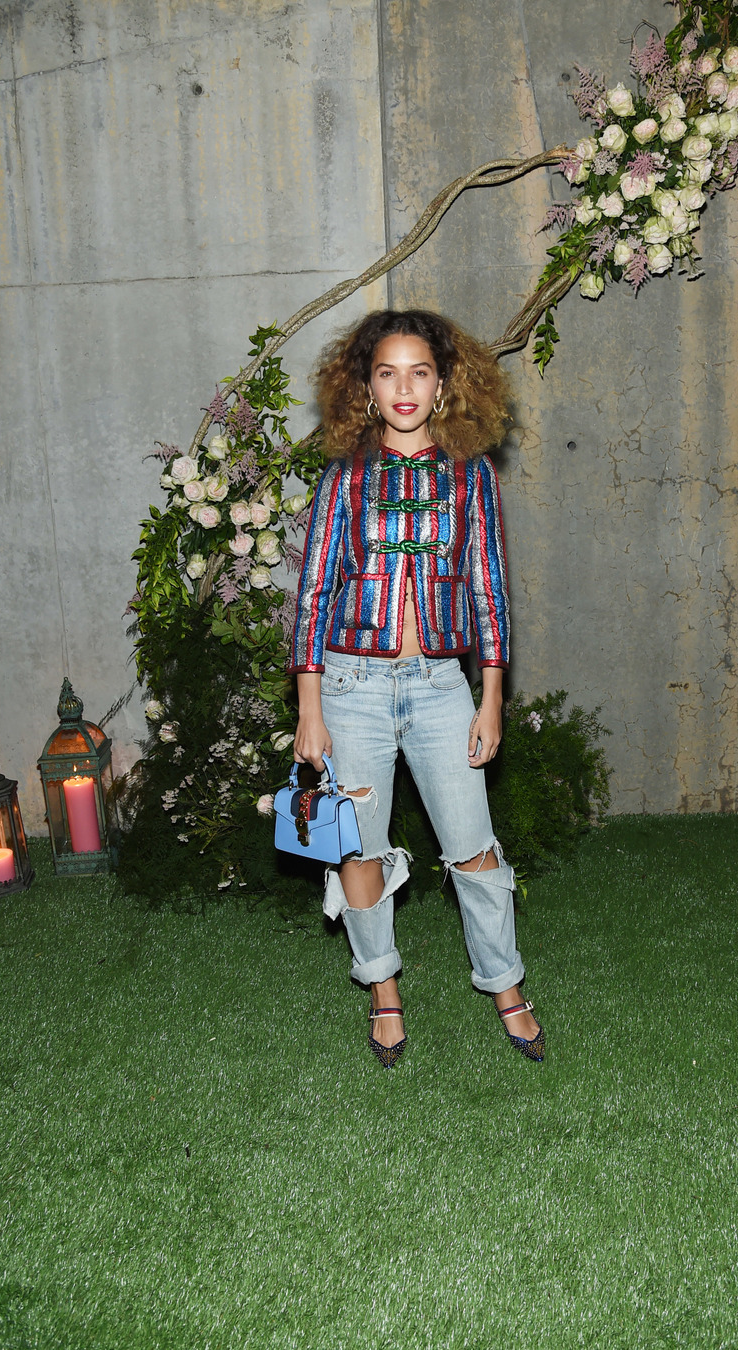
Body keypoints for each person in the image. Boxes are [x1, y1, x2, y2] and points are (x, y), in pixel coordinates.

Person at [290, 309, 543, 1066]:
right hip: (349, 685)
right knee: (358, 852)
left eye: (420, 371)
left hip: (441, 688)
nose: (404, 387)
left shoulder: (471, 477)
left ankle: (505, 987)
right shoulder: (344, 479)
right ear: (364, 387)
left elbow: (490, 591)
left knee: (473, 850)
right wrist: (309, 710)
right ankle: (383, 992)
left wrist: (490, 694)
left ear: (444, 384)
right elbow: (309, 595)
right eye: (387, 372)